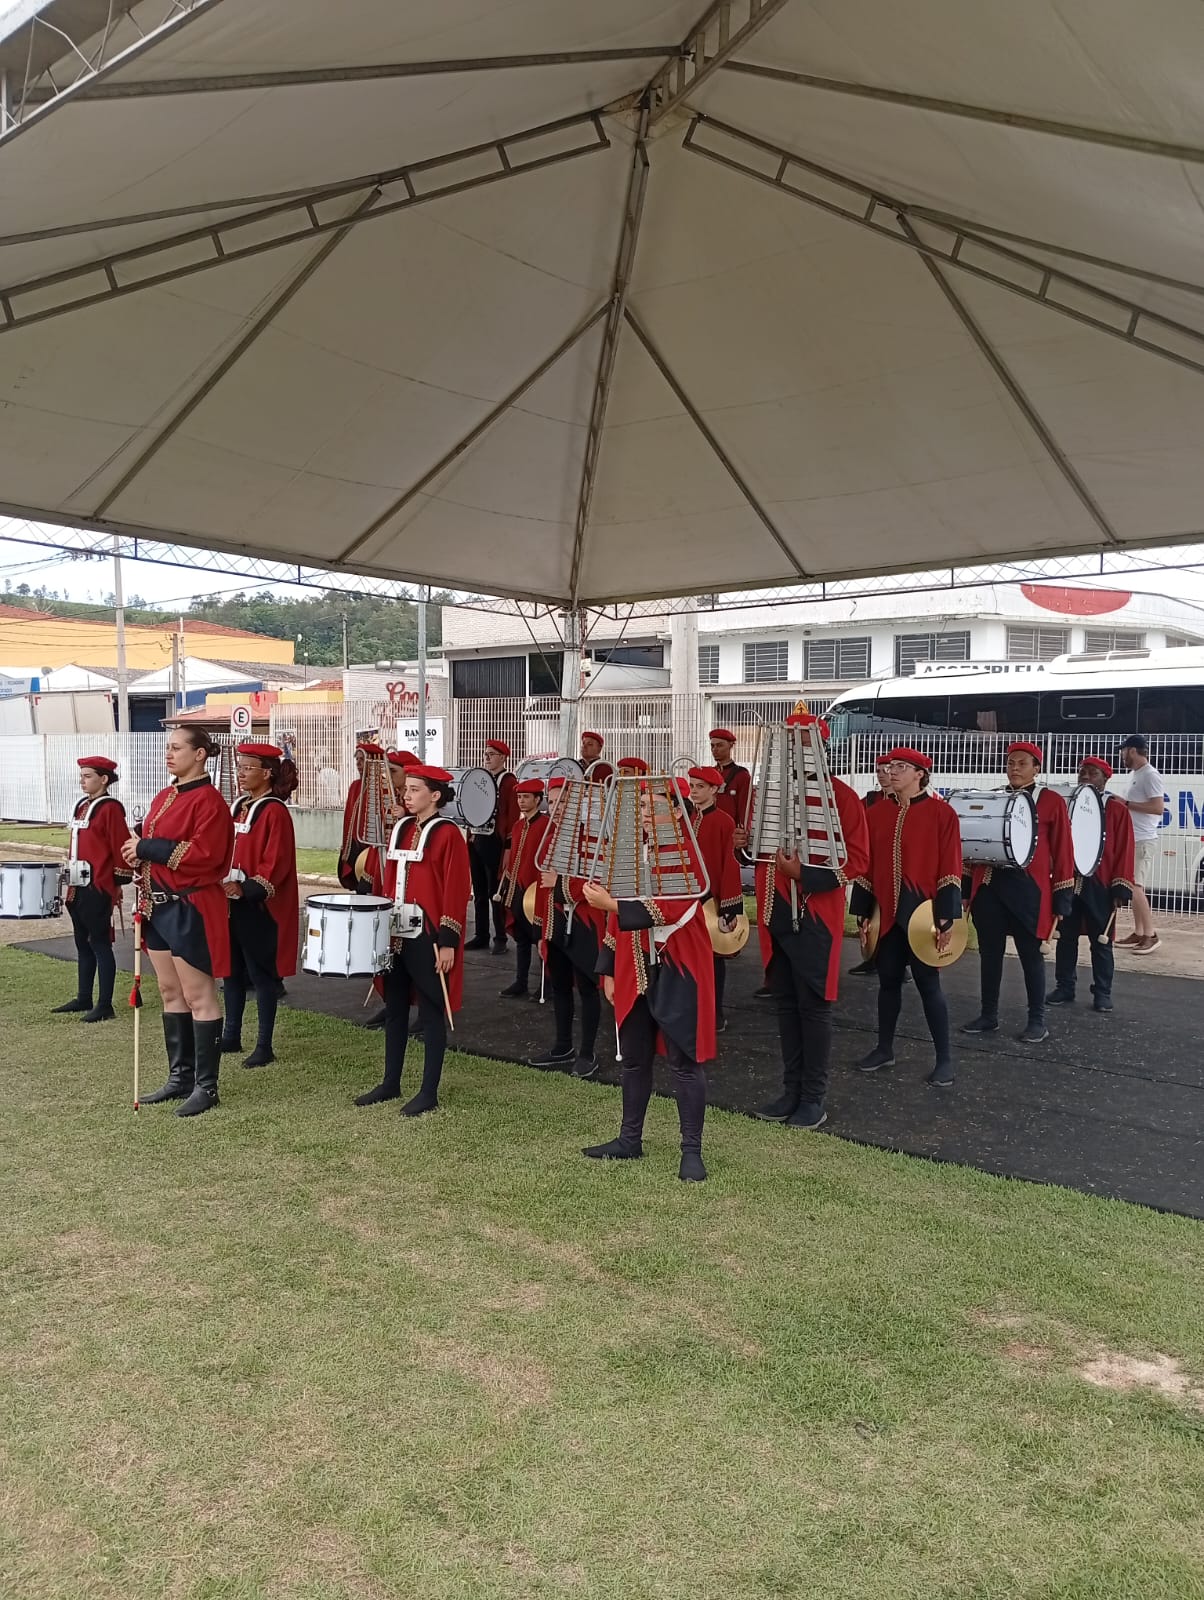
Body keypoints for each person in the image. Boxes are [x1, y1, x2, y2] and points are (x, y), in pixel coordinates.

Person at [582, 782, 715, 1181]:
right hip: (633, 965)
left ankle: (691, 1151)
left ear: (675, 812)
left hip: (679, 966)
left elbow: (673, 908)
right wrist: (607, 968)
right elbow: (613, 922)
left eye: (651, 806)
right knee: (635, 1058)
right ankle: (629, 1139)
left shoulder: (688, 853)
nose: (642, 813)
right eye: (639, 806)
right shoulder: (630, 854)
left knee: (684, 1062)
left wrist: (612, 903)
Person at [754, 714, 870, 1129]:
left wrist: (803, 874)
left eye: (803, 744)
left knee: (814, 1007)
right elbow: (759, 851)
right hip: (775, 910)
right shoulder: (770, 793)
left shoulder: (843, 796)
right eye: (790, 744)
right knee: (786, 1004)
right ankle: (791, 1091)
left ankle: (813, 1099)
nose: (795, 752)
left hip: (815, 914)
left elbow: (857, 861)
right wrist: (743, 845)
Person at [121, 727, 236, 1117]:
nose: (168, 754)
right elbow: (150, 846)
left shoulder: (210, 802)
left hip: (191, 906)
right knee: (170, 992)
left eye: (176, 748)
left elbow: (205, 855)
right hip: (158, 908)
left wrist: (146, 847)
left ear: (200, 754)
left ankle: (207, 1086)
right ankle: (180, 1077)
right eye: (167, 748)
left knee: (198, 996)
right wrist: (137, 853)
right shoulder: (164, 795)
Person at [353, 764, 471, 1116]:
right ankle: (391, 1082)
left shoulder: (449, 834)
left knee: (432, 1011)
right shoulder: (402, 828)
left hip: (428, 934)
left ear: (435, 795)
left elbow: (455, 888)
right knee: (396, 1008)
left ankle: (428, 1092)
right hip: (396, 932)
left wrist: (448, 940)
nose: (407, 795)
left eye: (415, 789)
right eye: (407, 788)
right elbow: (390, 879)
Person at [849, 749, 963, 1086]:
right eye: (889, 767)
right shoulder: (876, 814)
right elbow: (866, 868)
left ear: (920, 774)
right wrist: (863, 912)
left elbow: (951, 867)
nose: (892, 772)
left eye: (901, 767)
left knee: (929, 986)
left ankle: (944, 1059)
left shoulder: (942, 814)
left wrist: (945, 917)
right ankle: (884, 1049)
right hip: (886, 913)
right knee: (888, 983)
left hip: (923, 913)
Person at [962, 742, 1074, 1044]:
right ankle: (988, 1015)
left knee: (1030, 957)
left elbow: (1064, 851)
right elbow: (975, 843)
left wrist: (1062, 898)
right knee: (989, 954)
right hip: (990, 886)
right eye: (1011, 762)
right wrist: (966, 887)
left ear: (1036, 768)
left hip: (1029, 891)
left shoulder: (1051, 801)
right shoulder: (994, 797)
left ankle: (1037, 1020)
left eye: (1022, 763)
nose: (1014, 768)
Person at [220, 742, 300, 1068]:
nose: (240, 773)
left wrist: (246, 888)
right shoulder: (240, 806)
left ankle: (264, 1045)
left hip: (258, 906)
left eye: (247, 768)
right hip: (230, 901)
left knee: (261, 976)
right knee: (231, 972)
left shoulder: (275, 811)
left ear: (267, 773)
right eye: (239, 767)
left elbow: (276, 861)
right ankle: (231, 1034)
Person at [528, 777, 603, 1078]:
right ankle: (562, 1046)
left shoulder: (593, 835)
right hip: (555, 921)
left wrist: (560, 884)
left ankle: (587, 1052)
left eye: (563, 802)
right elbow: (541, 886)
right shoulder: (550, 837)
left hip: (586, 922)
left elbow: (597, 881)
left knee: (587, 987)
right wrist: (540, 931)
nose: (556, 807)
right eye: (552, 801)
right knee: (559, 986)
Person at [1049, 757, 1135, 1012]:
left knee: (1102, 940)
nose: (1085, 776)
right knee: (1066, 937)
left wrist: (1121, 885)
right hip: (1071, 880)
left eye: (1092, 773)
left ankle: (1102, 992)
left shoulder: (1117, 810)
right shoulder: (1068, 805)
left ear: (1105, 779)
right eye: (1082, 772)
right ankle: (1065, 986)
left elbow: (1125, 850)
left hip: (1101, 883)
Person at [52, 755, 130, 1023]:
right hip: (77, 886)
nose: (82, 781)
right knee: (82, 943)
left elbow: (120, 846)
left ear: (104, 779)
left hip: (98, 886)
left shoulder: (111, 808)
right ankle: (83, 997)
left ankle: (105, 1004)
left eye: (88, 776)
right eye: (82, 776)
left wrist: (116, 884)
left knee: (99, 944)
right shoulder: (82, 806)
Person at [687, 766, 744, 1033]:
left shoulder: (724, 822)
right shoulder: (686, 818)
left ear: (714, 789)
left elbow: (730, 866)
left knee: (713, 958)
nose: (694, 791)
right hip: (687, 897)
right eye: (692, 786)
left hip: (712, 899)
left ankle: (715, 1013)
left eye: (700, 786)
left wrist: (728, 906)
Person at [496, 778, 549, 1000]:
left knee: (540, 938)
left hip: (536, 890)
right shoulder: (518, 826)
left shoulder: (546, 825)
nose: (521, 801)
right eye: (519, 797)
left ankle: (547, 985)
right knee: (521, 938)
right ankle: (521, 981)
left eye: (526, 797)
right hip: (518, 889)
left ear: (538, 799)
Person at [466, 738, 518, 953]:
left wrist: (508, 847)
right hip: (477, 838)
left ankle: (500, 937)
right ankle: (481, 934)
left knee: (494, 891)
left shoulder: (509, 781)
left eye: (492, 754)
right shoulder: (480, 778)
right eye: (485, 754)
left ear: (503, 757)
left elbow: (512, 816)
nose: (487, 758)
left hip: (495, 841)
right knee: (478, 890)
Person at [847, 758, 897, 976]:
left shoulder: (905, 802)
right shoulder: (869, 800)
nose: (881, 774)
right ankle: (871, 956)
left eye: (886, 770)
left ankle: (898, 963)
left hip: (892, 867)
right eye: (878, 771)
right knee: (866, 912)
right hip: (869, 864)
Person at [1117, 734, 1163, 954]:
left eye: (1123, 751)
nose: (1122, 755)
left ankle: (1150, 935)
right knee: (1133, 885)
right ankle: (1139, 931)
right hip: (1133, 838)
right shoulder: (1135, 774)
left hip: (1143, 839)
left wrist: (1126, 803)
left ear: (1132, 751)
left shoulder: (1150, 775)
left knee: (1136, 887)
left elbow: (1158, 808)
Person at [708, 728, 752, 826]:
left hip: (730, 828)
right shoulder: (709, 773)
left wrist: (744, 828)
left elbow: (745, 807)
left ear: (730, 745)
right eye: (712, 746)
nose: (715, 749)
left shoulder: (742, 775)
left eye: (720, 745)